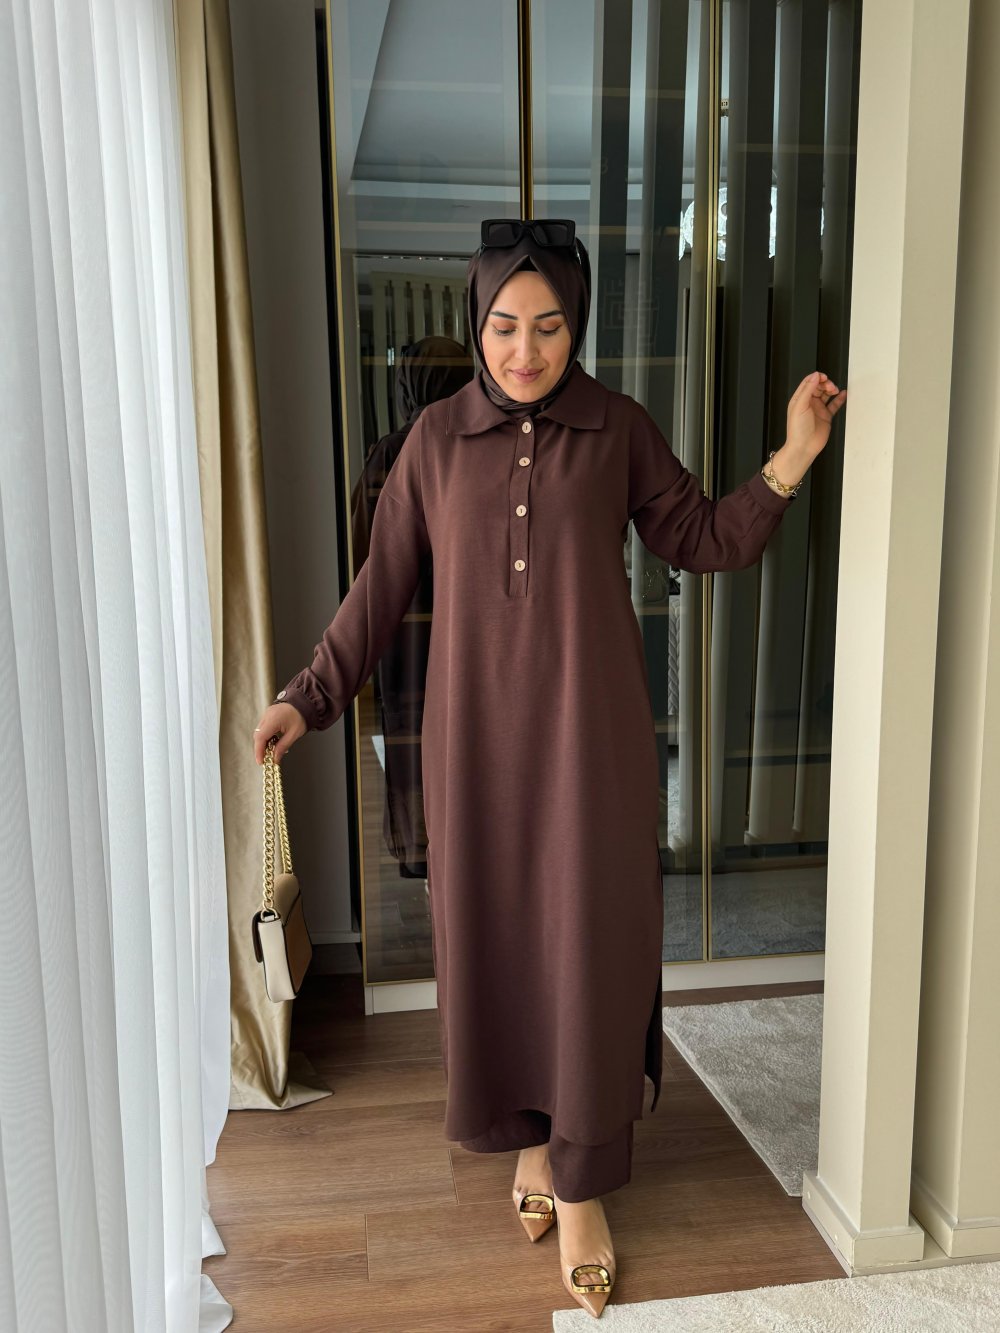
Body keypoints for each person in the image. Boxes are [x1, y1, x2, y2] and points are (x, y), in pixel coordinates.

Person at [253, 217, 847, 1319]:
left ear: (577, 328)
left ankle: (580, 1183)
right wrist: (308, 695)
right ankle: (532, 1140)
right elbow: (379, 589)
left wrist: (792, 457)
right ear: (475, 324)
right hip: (475, 747)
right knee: (502, 948)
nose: (523, 349)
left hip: (594, 740)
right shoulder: (434, 442)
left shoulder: (617, 427)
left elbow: (704, 537)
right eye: (502, 325)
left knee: (589, 950)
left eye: (548, 326)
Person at [349, 336, 474, 880]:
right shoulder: (479, 448)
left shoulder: (389, 453)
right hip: (468, 627)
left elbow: (363, 554)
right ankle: (468, 846)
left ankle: (420, 846)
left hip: (404, 629)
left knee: (410, 736)